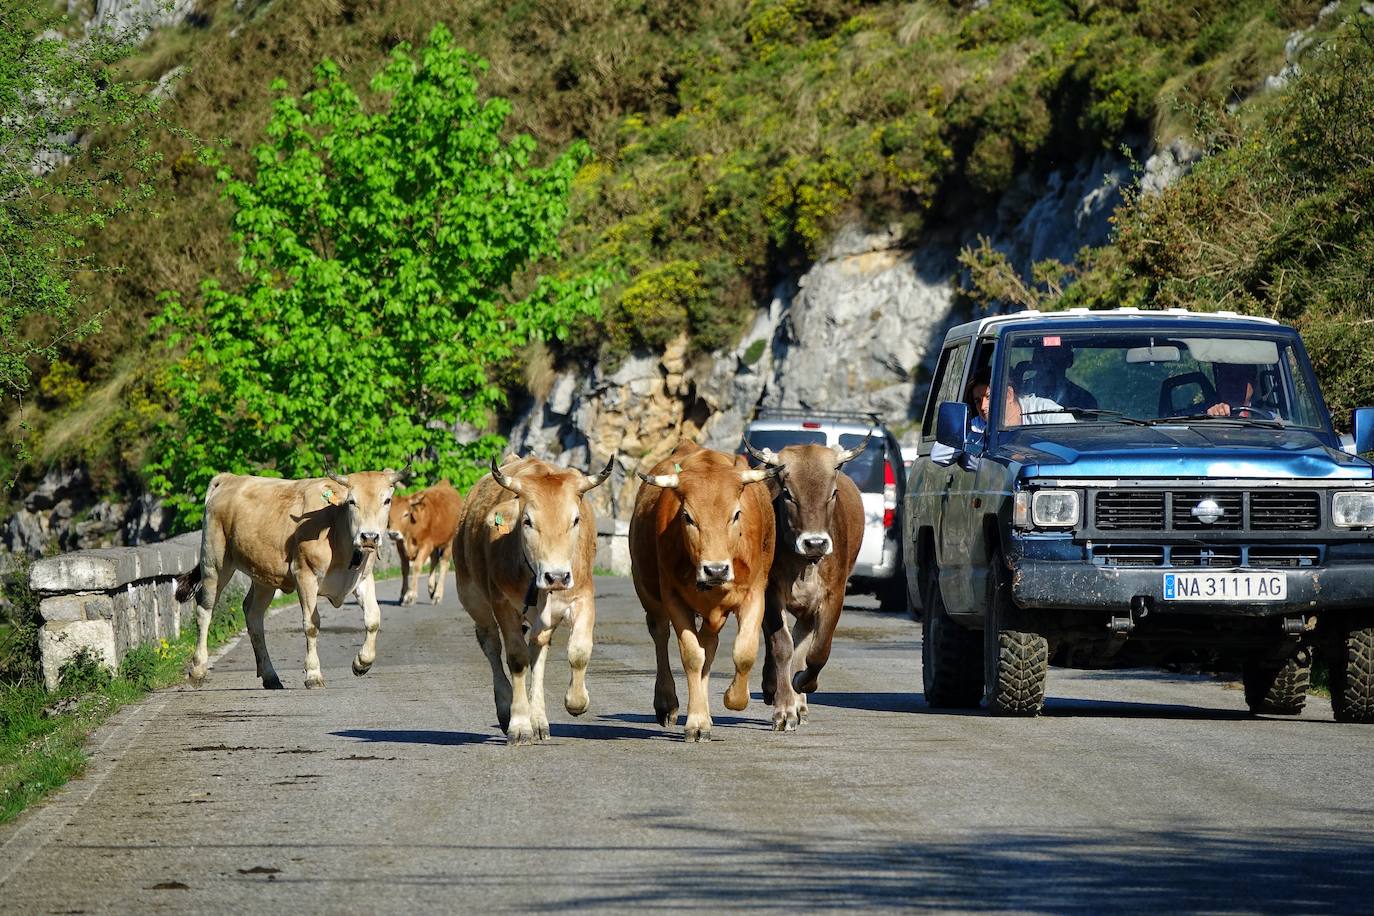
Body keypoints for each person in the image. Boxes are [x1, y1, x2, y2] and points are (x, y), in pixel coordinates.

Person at [931, 370, 990, 467]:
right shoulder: (976, 426)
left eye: (988, 397)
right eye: (978, 401)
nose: (983, 406)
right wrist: (967, 439)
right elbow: (938, 455)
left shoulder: (1024, 413)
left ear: (1009, 393)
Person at [1026, 344, 1097, 410]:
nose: (1049, 365)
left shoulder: (1084, 400)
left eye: (1055, 358)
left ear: (1069, 360)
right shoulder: (1020, 394)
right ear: (1035, 360)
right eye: (1044, 357)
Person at [1206, 363, 1274, 418]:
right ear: (1218, 382)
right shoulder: (1205, 413)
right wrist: (1213, 418)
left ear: (1254, 384)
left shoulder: (1269, 418)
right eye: (1228, 377)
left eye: (1240, 378)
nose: (1233, 384)